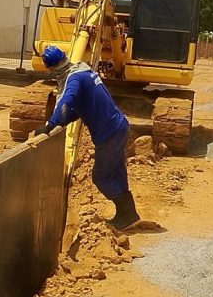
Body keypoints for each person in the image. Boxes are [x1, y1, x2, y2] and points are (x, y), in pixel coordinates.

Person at [34, 45, 140, 230]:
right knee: (115, 171)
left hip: (109, 133)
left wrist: (50, 125)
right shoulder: (84, 71)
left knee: (100, 176)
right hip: (119, 126)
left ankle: (127, 214)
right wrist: (64, 121)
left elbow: (67, 102)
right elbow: (82, 106)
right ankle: (129, 215)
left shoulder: (73, 78)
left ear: (52, 68)